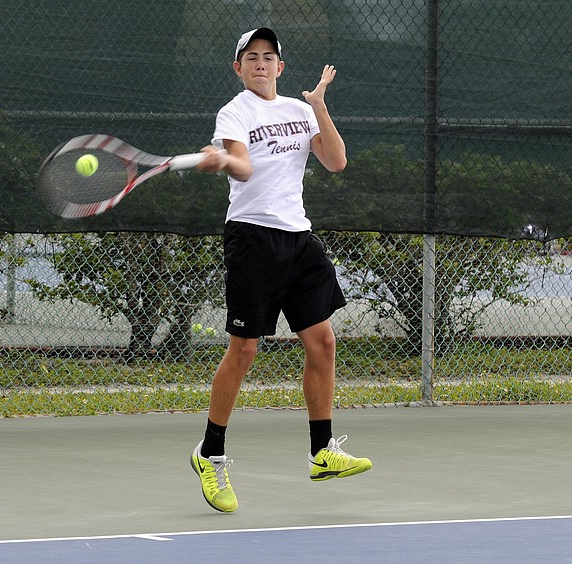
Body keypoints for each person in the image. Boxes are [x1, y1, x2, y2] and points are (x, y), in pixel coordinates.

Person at [190, 27, 371, 513]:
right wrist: (223, 159)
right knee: (244, 348)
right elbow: (246, 169)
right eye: (251, 57)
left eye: (269, 57)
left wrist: (318, 106)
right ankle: (211, 453)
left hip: (298, 238)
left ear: (280, 66)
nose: (261, 64)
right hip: (252, 237)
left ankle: (322, 452)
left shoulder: (298, 109)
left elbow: (335, 161)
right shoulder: (235, 111)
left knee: (323, 341)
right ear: (239, 67)